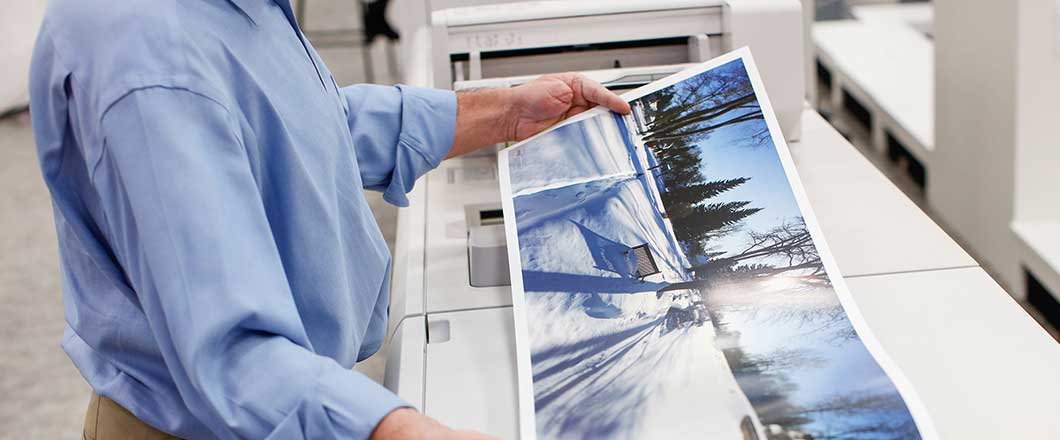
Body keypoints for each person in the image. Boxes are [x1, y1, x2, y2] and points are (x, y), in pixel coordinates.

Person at [28, 0, 631, 439]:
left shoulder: (232, 12)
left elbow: (299, 131)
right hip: (214, 419)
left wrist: (501, 114)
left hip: (279, 399)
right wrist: (403, 429)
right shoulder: (150, 57)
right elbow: (231, 352)